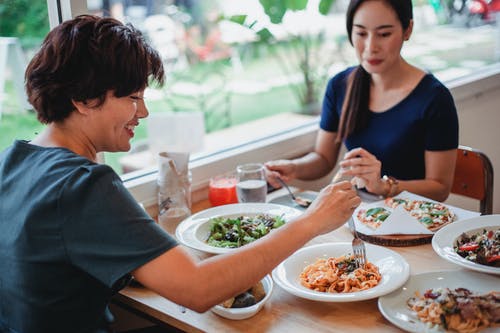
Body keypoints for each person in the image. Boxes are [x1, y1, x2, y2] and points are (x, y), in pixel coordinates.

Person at [0, 15, 360, 333]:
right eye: (132, 97)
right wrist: (311, 221)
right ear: (82, 99)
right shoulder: (84, 184)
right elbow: (198, 290)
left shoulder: (12, 160)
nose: (143, 112)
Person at [265, 0, 459, 202]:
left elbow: (440, 188)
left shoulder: (434, 98)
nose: (370, 47)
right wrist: (293, 168)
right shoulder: (340, 86)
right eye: (361, 33)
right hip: (358, 212)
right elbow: (323, 159)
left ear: (407, 30)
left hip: (413, 218)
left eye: (384, 34)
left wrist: (384, 186)